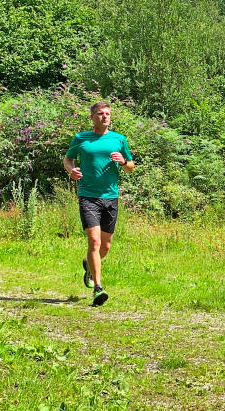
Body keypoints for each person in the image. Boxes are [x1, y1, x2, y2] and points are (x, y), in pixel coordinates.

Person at [63, 101, 134, 306]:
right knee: (94, 242)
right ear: (92, 117)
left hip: (110, 196)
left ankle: (89, 265)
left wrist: (123, 161)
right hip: (88, 196)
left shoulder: (119, 139)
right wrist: (72, 170)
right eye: (101, 113)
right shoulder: (81, 138)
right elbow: (68, 160)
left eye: (108, 114)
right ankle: (98, 287)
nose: (105, 116)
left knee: (105, 246)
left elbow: (131, 167)